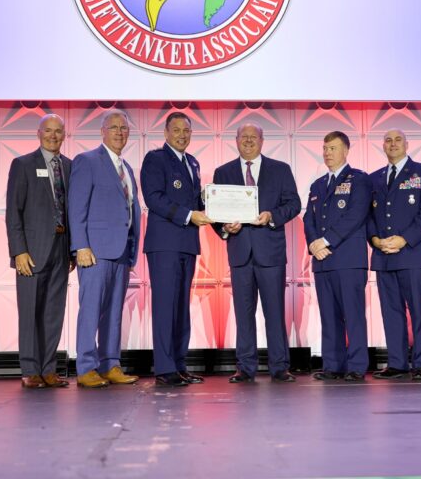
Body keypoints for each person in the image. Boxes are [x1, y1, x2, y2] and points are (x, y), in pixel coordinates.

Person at [212, 124, 301, 383]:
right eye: (244, 137)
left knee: (274, 311)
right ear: (236, 141)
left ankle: (280, 366)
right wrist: (225, 228)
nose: (248, 141)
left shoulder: (280, 169)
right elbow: (215, 210)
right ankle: (245, 367)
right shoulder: (223, 172)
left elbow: (294, 204)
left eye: (254, 137)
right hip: (240, 252)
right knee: (243, 313)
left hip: (270, 253)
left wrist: (272, 216)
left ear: (262, 141)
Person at [68, 109, 141, 388]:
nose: (120, 132)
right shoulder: (86, 161)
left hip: (122, 251)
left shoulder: (127, 168)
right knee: (91, 309)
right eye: (114, 127)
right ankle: (86, 366)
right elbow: (77, 207)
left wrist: (132, 251)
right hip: (95, 252)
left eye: (124, 128)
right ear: (102, 131)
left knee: (113, 311)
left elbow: (130, 212)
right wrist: (80, 246)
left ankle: (111, 364)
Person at [141, 112, 214, 387]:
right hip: (164, 244)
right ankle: (164, 368)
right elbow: (154, 199)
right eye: (177, 130)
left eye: (187, 130)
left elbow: (197, 201)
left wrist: (216, 206)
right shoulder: (155, 159)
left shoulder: (192, 162)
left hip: (187, 244)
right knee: (165, 306)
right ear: (166, 132)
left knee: (181, 307)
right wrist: (188, 215)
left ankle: (180, 365)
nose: (182, 135)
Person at [6, 114, 74, 388]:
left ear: (65, 135)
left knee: (53, 312)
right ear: (39, 133)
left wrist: (72, 250)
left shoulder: (70, 167)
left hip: (61, 247)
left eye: (59, 131)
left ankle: (48, 369)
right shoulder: (22, 165)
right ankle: (30, 369)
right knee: (30, 310)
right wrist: (18, 251)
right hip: (31, 251)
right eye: (48, 131)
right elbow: (14, 212)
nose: (53, 136)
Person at [368, 130, 421, 381]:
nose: (393, 144)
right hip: (383, 254)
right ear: (383, 146)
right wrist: (375, 239)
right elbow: (367, 216)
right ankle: (397, 362)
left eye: (398, 140)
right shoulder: (374, 178)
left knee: (418, 310)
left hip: (412, 253)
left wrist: (404, 239)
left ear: (407, 144)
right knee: (391, 311)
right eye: (388, 140)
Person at [303, 131, 372, 382]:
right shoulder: (318, 184)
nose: (327, 153)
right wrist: (313, 244)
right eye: (325, 148)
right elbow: (308, 218)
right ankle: (333, 365)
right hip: (322, 260)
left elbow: (355, 215)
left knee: (353, 315)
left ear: (346, 150)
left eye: (332, 148)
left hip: (348, 259)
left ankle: (356, 365)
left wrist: (326, 240)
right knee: (329, 315)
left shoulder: (359, 180)